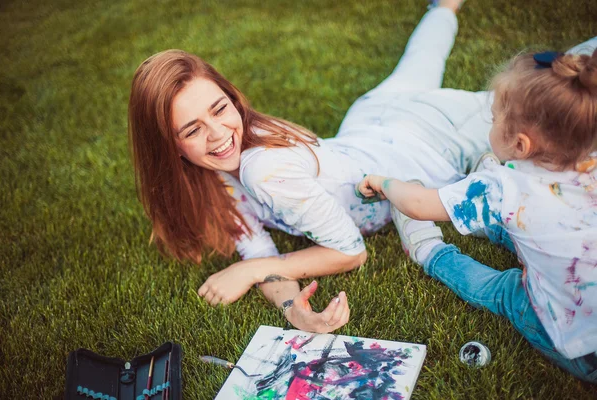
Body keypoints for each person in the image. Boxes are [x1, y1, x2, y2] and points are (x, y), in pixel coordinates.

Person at [128, 0, 496, 333]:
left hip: (426, 141)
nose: (217, 134)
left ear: (230, 96)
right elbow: (259, 251)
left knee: (542, 104)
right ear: (170, 145)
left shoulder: (264, 170)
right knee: (420, 64)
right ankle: (444, 8)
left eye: (219, 108)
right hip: (370, 119)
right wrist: (294, 310)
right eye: (192, 129)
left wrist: (248, 272)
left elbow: (350, 252)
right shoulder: (217, 173)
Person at [357, 44, 597, 383]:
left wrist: (384, 181)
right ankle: (490, 222)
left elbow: (419, 204)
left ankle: (432, 253)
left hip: (580, 347)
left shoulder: (504, 185)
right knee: (530, 224)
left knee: (510, 290)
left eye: (495, 118)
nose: (492, 122)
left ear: (521, 146)